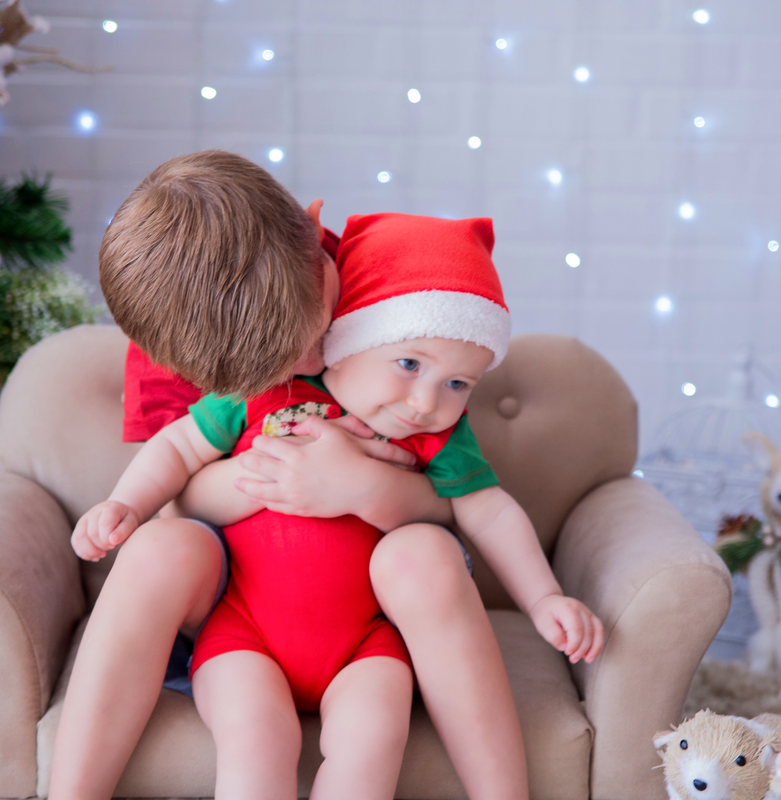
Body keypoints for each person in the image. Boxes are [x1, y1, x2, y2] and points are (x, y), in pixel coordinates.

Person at [47, 151, 601, 800]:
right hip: (242, 610)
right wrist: (129, 506)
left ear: (318, 246)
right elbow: (180, 464)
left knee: (407, 600)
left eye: (312, 335)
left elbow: (473, 503)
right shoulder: (245, 368)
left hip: (367, 626)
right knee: (173, 573)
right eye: (286, 358)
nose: (308, 361)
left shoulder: (400, 333)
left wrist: (365, 487)